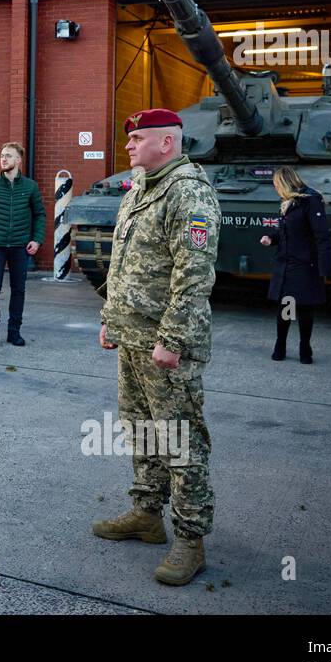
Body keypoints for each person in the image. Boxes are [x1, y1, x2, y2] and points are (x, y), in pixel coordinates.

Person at [94, 108, 221, 587]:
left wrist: (173, 340)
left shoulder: (188, 192)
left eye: (137, 138)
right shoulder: (142, 188)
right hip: (131, 336)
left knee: (180, 438)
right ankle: (147, 515)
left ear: (166, 143)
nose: (128, 145)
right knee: (141, 428)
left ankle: (191, 539)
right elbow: (122, 264)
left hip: (166, 344)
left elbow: (194, 275)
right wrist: (110, 319)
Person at [0, 142, 45, 346]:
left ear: (18, 160)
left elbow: (40, 215)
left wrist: (37, 239)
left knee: (18, 290)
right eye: (2, 155)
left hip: (20, 247)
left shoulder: (30, 187)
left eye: (8, 156)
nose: (3, 159)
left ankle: (14, 331)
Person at [260, 166, 331, 363]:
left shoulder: (310, 201)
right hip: (288, 264)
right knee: (287, 306)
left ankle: (305, 347)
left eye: (276, 184)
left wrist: (324, 268)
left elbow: (322, 235)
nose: (275, 188)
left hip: (305, 265)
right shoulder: (289, 202)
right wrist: (271, 238)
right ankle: (281, 345)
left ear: (285, 183)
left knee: (305, 308)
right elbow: (287, 232)